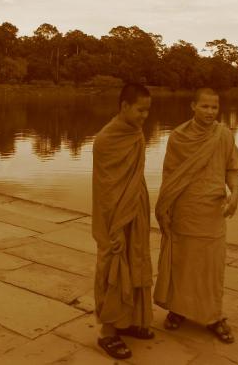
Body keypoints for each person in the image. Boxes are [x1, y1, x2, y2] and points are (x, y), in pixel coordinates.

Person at [154, 88, 238, 343]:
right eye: (204, 106)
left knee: (211, 266)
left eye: (214, 107)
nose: (210, 112)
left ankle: (213, 316)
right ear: (193, 106)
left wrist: (235, 193)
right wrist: (166, 209)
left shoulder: (224, 135)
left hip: (213, 210)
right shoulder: (178, 137)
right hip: (185, 209)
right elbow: (170, 176)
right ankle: (178, 310)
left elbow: (232, 167)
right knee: (182, 261)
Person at [92, 82, 154, 360]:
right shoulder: (106, 139)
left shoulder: (136, 133)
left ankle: (127, 322)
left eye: (148, 111)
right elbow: (106, 187)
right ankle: (108, 332)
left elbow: (134, 176)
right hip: (113, 215)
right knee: (114, 266)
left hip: (135, 208)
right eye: (140, 110)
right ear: (124, 106)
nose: (144, 115)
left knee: (136, 259)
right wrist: (114, 225)